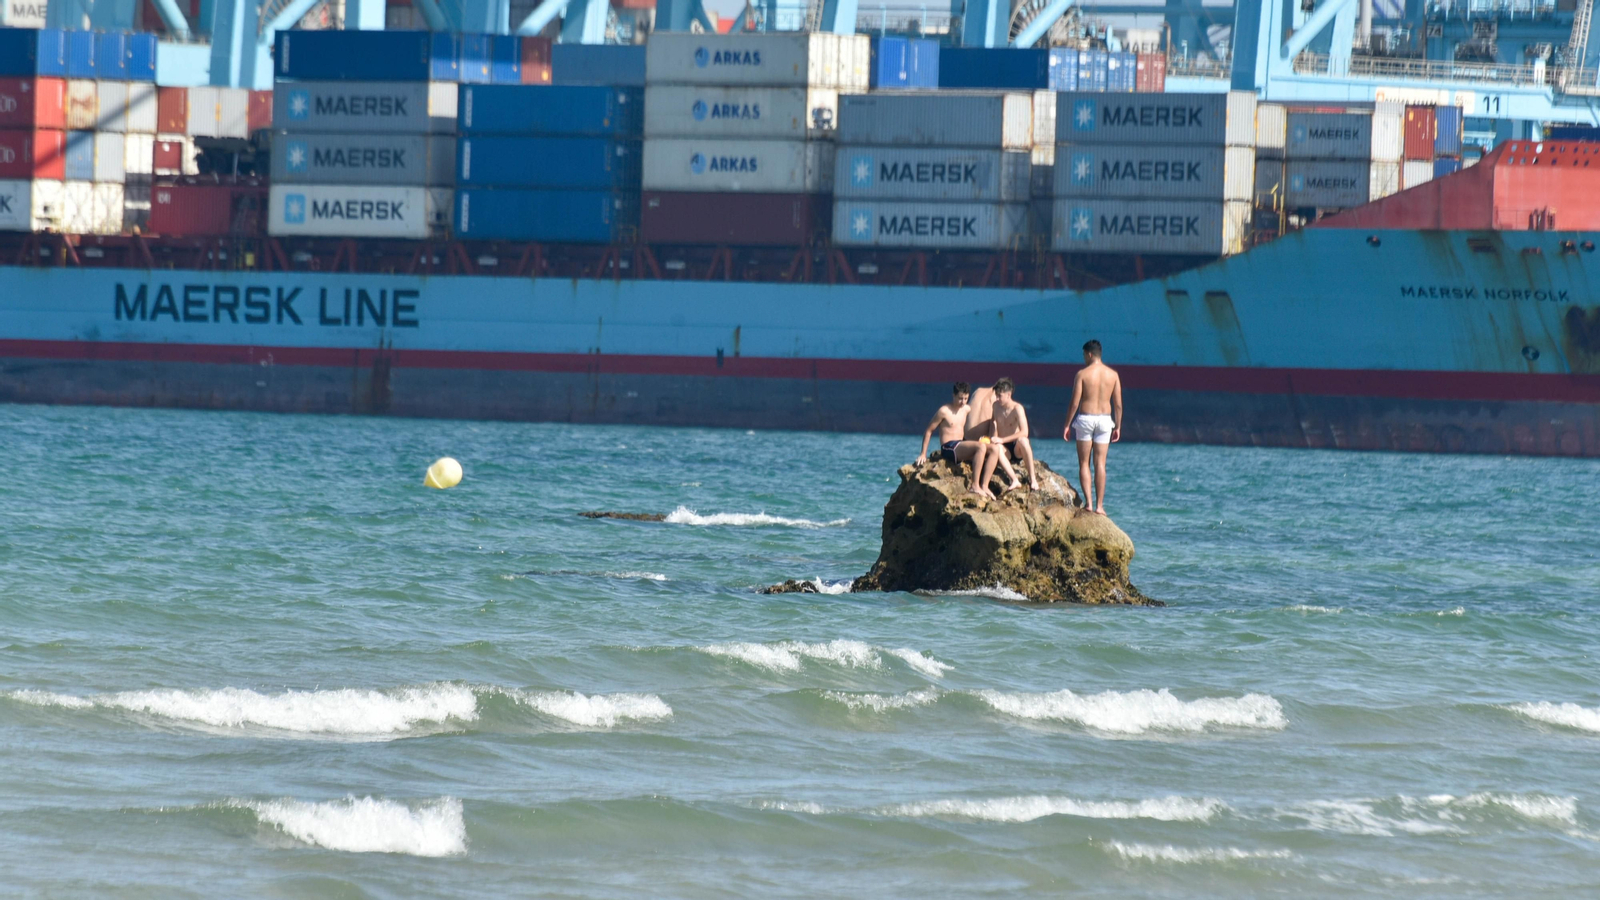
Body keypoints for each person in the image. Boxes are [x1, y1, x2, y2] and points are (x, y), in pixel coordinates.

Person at [1062, 339, 1122, 515]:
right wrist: (1118, 426)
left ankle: (1088, 503)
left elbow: (1074, 403)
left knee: (1084, 463)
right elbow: (1118, 404)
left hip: (1086, 419)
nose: (1083, 359)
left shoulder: (1082, 374)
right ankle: (1100, 506)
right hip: (1105, 420)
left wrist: (1067, 424)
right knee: (1100, 464)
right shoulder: (1113, 375)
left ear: (1089, 354)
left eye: (1083, 355)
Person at [917, 382, 994, 497]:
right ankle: (975, 486)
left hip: (961, 444)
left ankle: (985, 486)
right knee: (981, 447)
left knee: (994, 449)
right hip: (949, 447)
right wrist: (923, 454)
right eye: (960, 398)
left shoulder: (967, 409)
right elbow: (929, 431)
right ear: (953, 395)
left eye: (966, 398)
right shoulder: (944, 411)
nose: (963, 402)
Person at [976, 378, 1038, 492]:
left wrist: (1002, 439)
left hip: (1016, 448)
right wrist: (990, 439)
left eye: (1000, 396)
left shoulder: (1017, 408)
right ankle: (1014, 480)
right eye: (996, 395)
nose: (997, 398)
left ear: (1008, 394)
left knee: (1024, 440)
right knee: (997, 447)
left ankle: (1033, 479)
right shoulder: (995, 406)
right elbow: (993, 422)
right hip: (1004, 450)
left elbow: (1025, 432)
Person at [964, 382, 1022, 495]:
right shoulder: (995, 400)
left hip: (966, 441)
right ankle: (984, 486)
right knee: (996, 448)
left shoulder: (978, 390)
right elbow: (993, 429)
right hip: (979, 446)